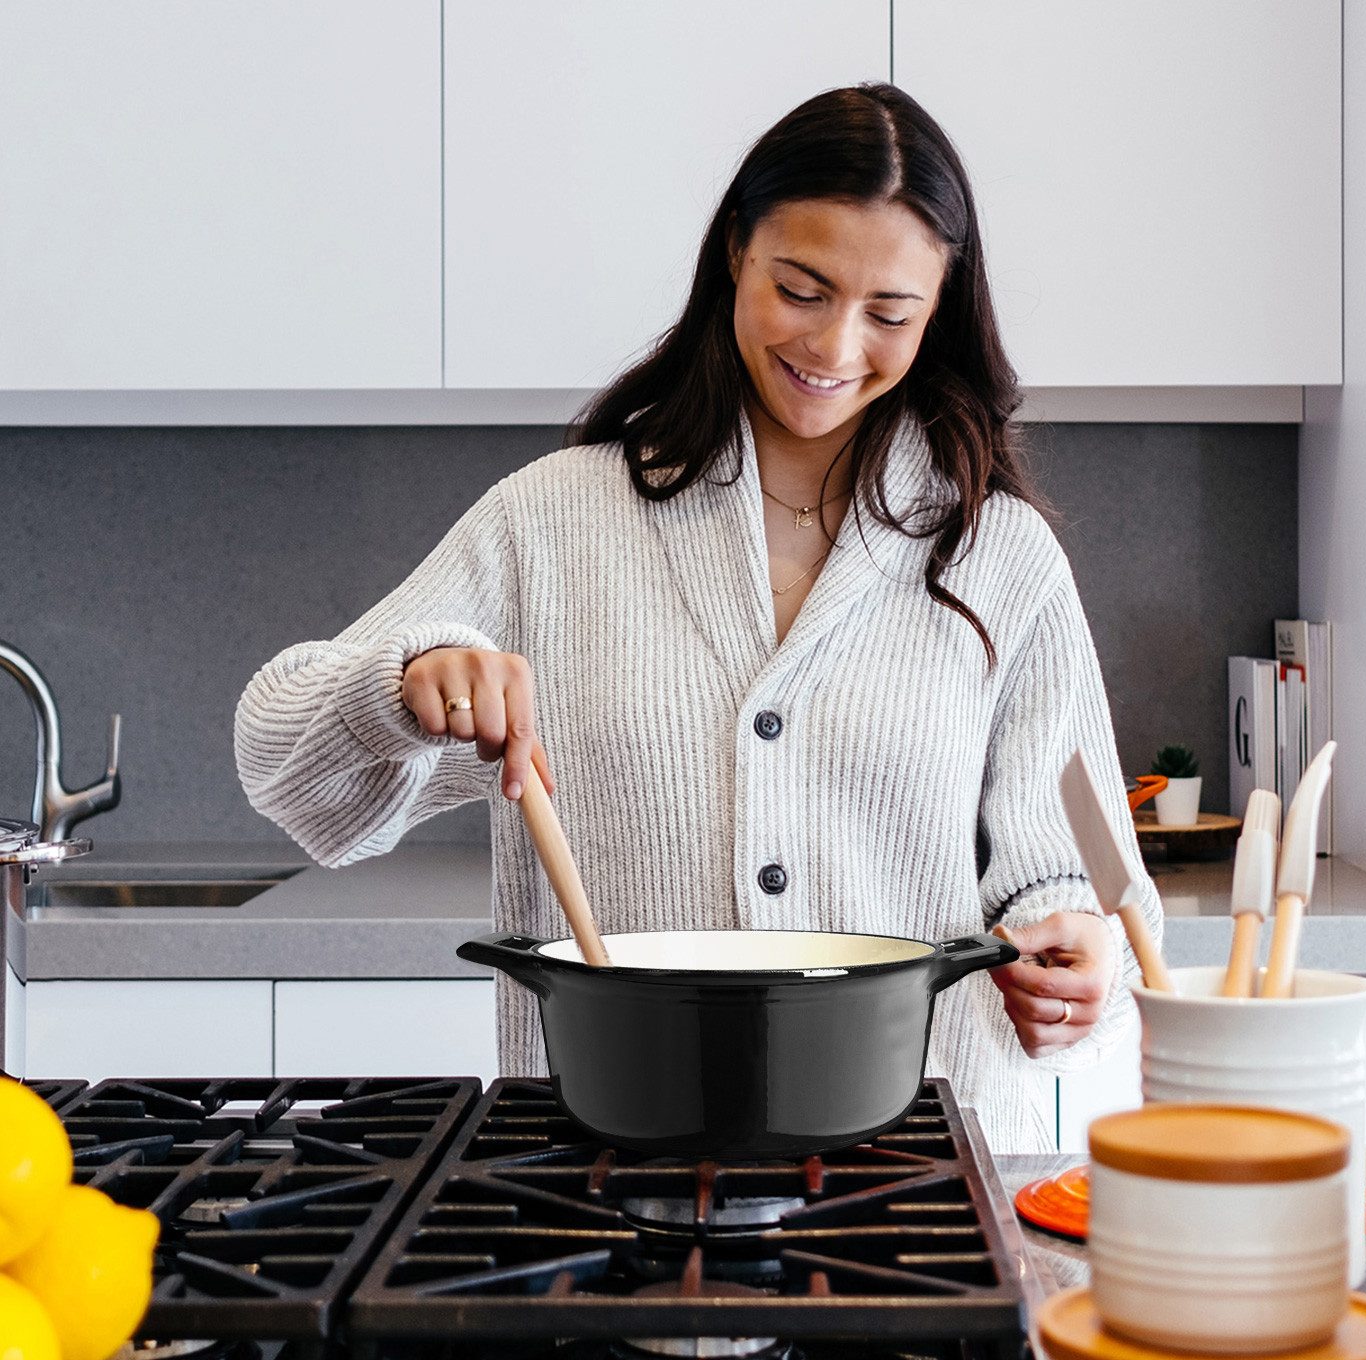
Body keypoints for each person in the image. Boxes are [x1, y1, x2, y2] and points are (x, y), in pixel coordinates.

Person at [234, 83, 1163, 1152]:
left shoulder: (999, 555)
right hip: (600, 1179)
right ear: (735, 252)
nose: (837, 345)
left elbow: (1074, 877)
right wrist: (403, 685)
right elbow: (284, 767)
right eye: (801, 288)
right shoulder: (557, 521)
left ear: (940, 309)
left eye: (889, 313)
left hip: (918, 1187)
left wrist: (1078, 949)